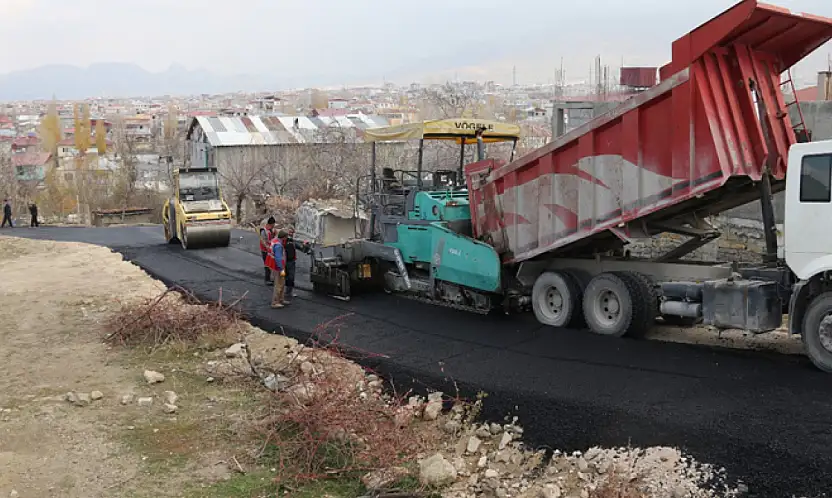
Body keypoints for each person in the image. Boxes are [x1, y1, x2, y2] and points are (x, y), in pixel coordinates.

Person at [269, 230, 289, 308]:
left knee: (282, 282)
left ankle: (281, 299)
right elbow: (278, 258)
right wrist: (281, 269)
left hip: (279, 267)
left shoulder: (275, 241)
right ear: (284, 237)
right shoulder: (278, 245)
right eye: (286, 237)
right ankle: (275, 302)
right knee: (278, 284)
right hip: (278, 268)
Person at [259, 216, 276, 285]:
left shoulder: (271, 230)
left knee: (271, 265)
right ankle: (267, 279)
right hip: (265, 250)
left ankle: (271, 278)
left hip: (270, 249)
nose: (273, 226)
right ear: (270, 224)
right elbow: (263, 241)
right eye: (273, 225)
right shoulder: (264, 231)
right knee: (267, 265)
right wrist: (267, 247)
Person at [284, 226, 298, 301]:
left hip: (291, 261)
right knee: (285, 277)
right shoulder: (284, 240)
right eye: (290, 232)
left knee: (291, 277)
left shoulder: (292, 241)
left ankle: (289, 292)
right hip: (285, 262)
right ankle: (285, 292)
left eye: (292, 232)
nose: (291, 234)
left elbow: (297, 246)